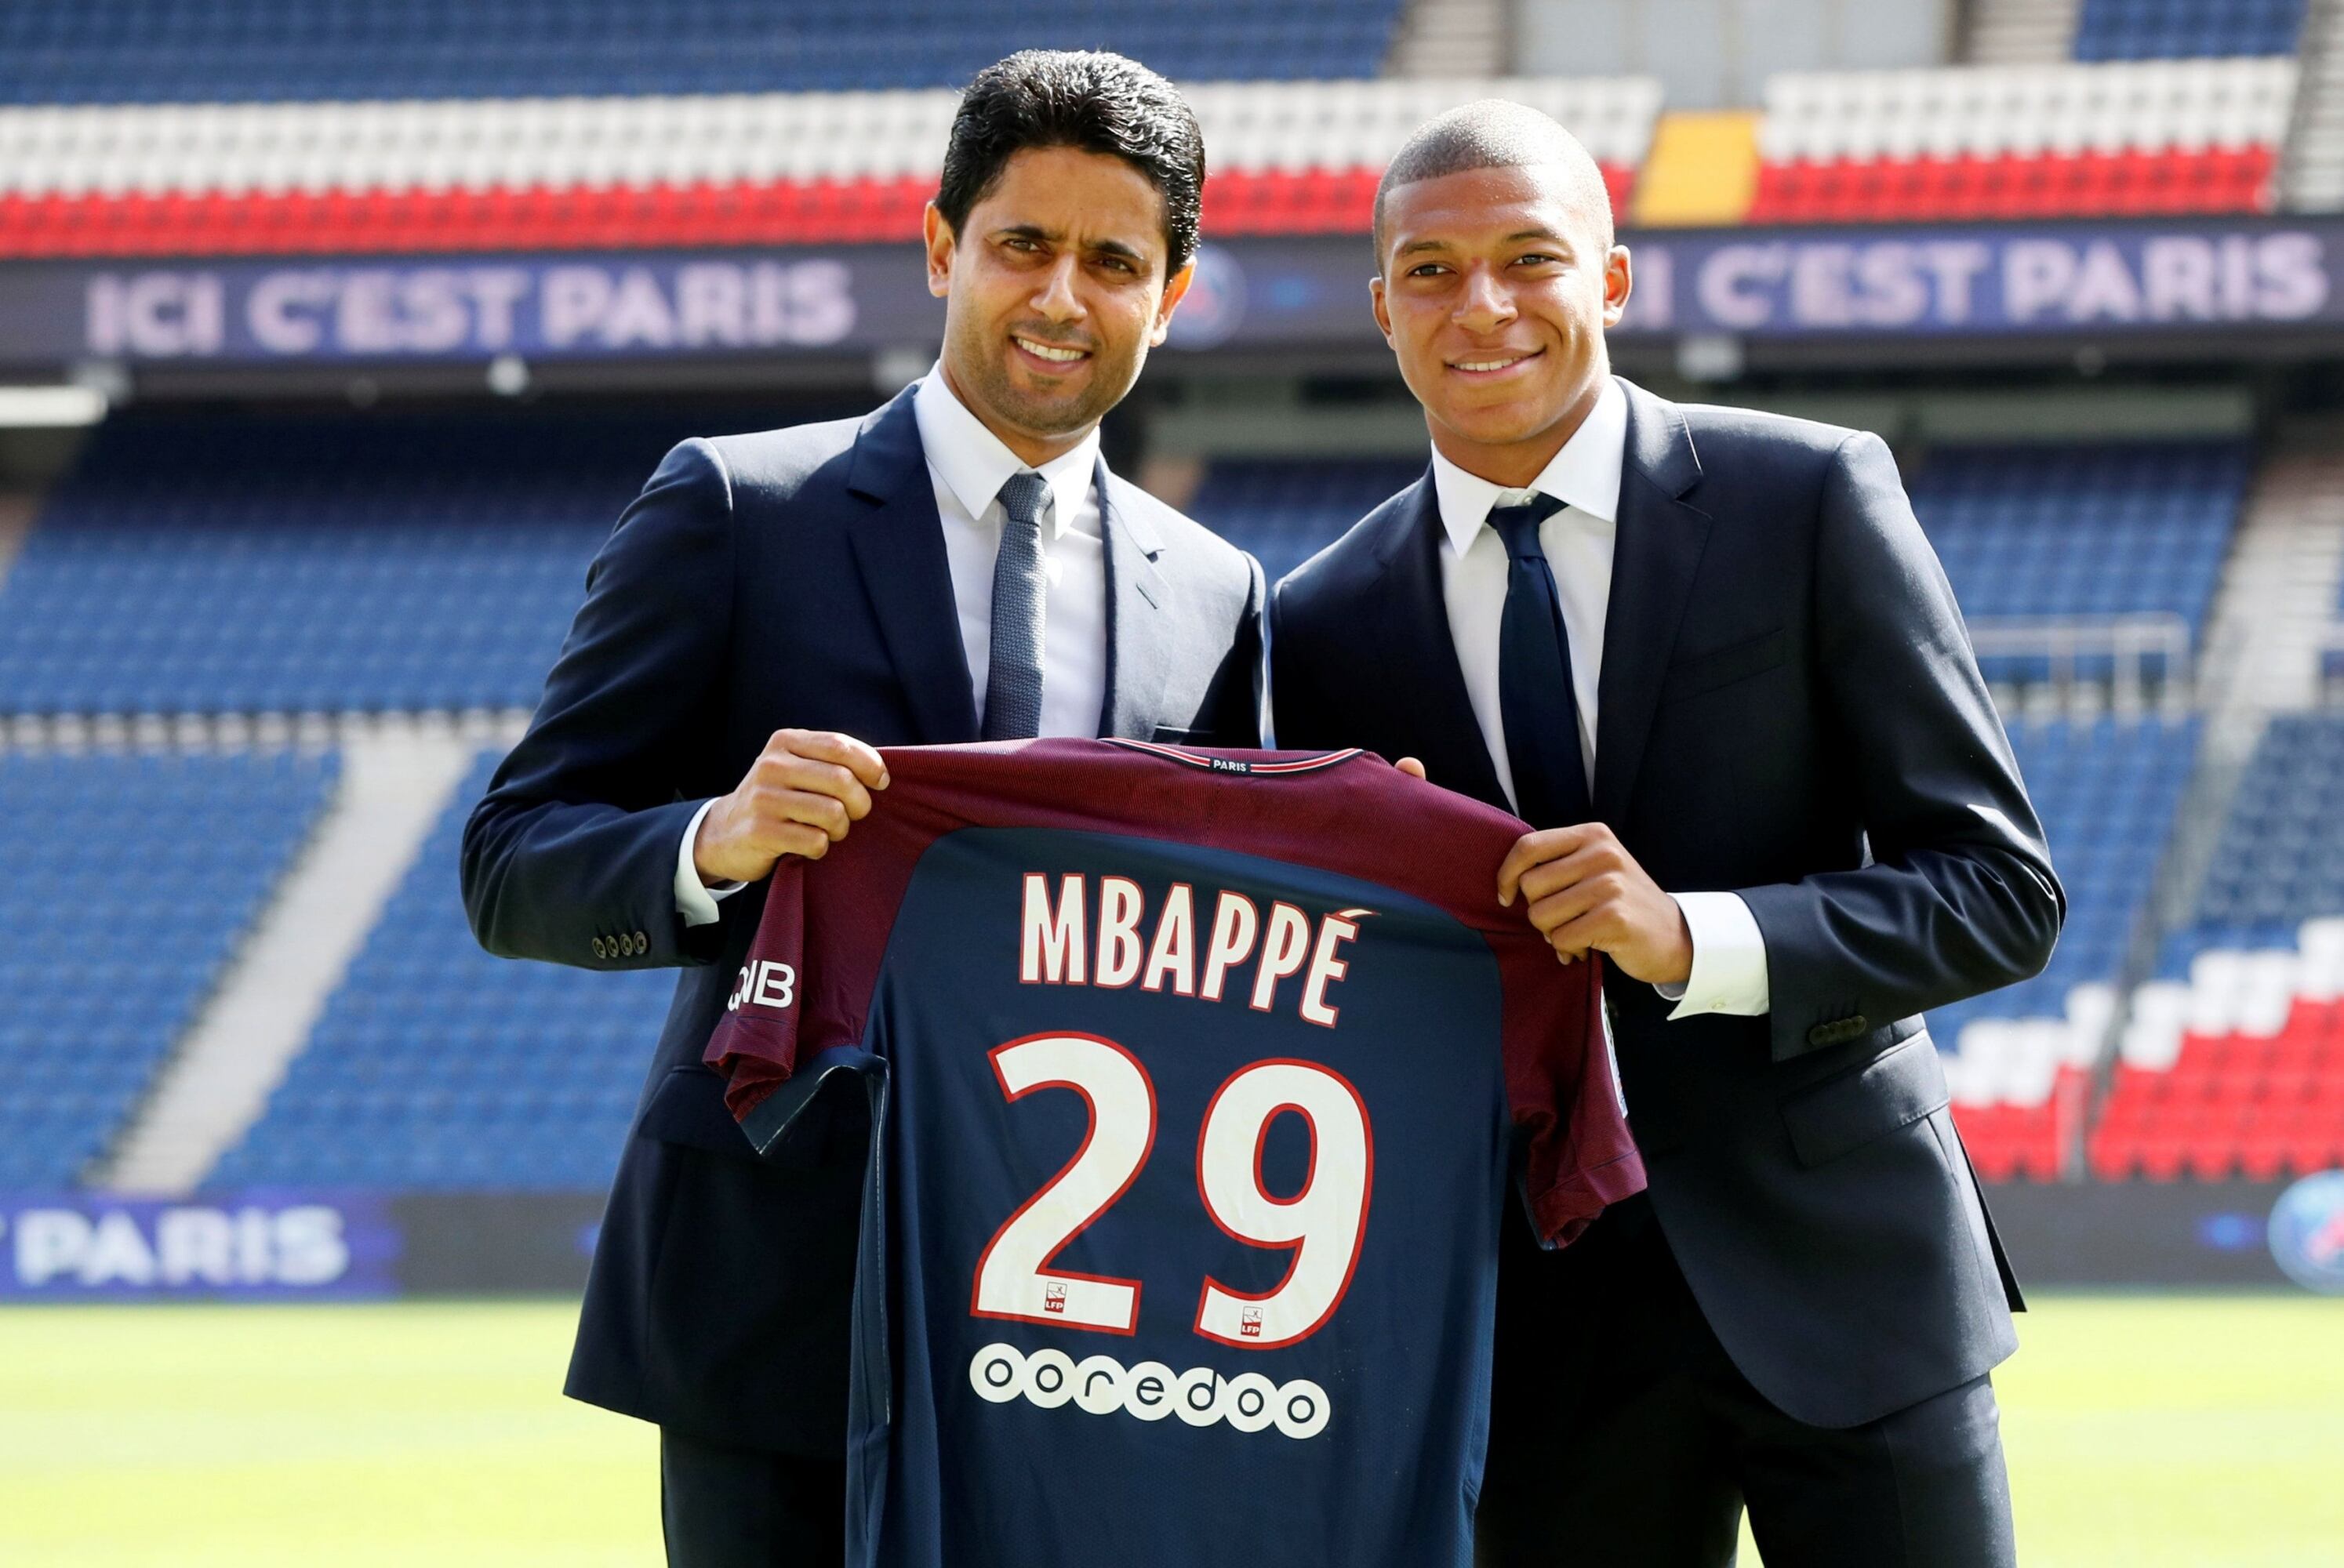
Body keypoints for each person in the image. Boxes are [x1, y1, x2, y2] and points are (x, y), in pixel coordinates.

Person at [460, 50, 1263, 1566]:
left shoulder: (1218, 596)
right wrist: (714, 841)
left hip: (1092, 1312)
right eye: (1023, 243)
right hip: (780, 1301)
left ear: (1170, 293)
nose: (1059, 297)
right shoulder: (738, 507)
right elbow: (511, 862)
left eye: (1113, 261)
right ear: (939, 243)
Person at [1270, 101, 2062, 1568]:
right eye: (1431, 272)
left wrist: (1695, 936)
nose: (1482, 305)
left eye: (1528, 257)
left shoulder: (1809, 495)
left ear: (1613, 281)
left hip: (1849, 1287)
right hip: (1535, 1327)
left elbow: (1998, 891)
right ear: (1382, 307)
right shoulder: (1316, 623)